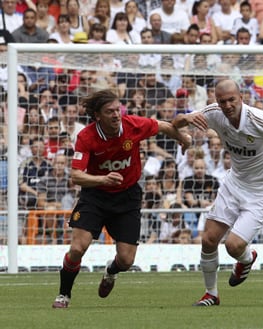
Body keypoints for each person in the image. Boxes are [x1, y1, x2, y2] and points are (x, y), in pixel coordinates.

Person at [51, 89, 191, 309]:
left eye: (118, 110)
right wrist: (102, 180)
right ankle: (63, 295)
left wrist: (182, 138)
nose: (116, 115)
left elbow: (163, 126)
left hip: (127, 197)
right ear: (98, 115)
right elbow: (76, 176)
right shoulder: (86, 137)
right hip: (95, 196)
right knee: (78, 248)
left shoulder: (133, 124)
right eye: (110, 111)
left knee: (126, 261)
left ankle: (110, 272)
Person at [172, 79, 263, 306]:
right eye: (222, 101)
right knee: (208, 240)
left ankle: (246, 258)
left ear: (241, 98)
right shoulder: (213, 114)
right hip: (235, 181)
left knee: (233, 246)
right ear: (217, 101)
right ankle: (211, 294)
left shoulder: (259, 119)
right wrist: (185, 118)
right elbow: (175, 123)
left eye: (231, 100)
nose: (227, 105)